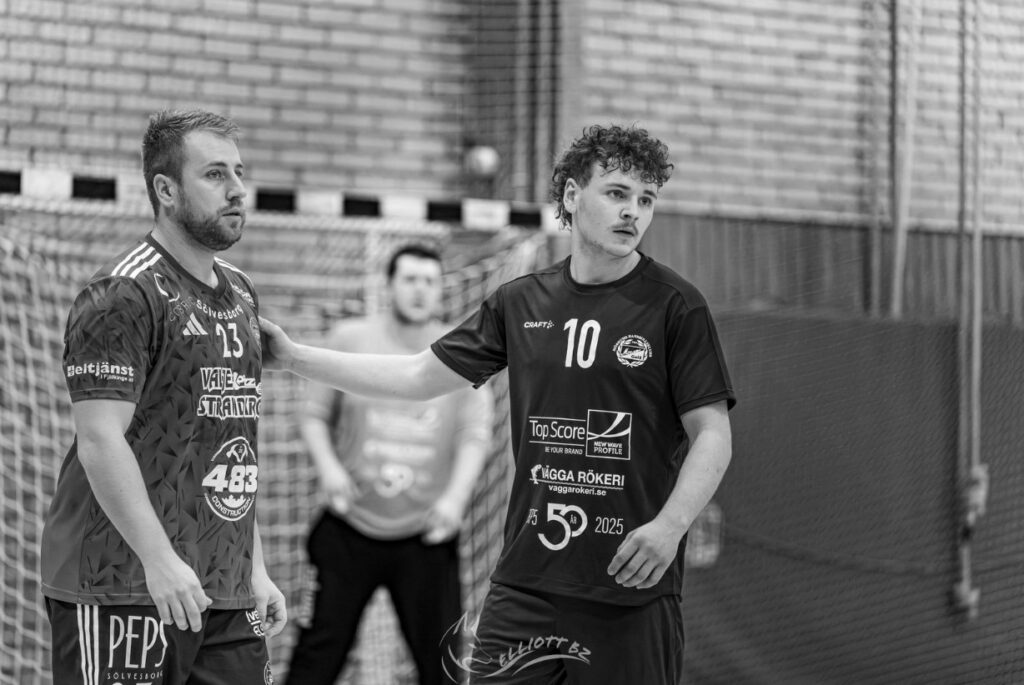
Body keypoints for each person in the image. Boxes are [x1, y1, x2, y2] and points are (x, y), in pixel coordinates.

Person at [261, 124, 734, 684]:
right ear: (572, 196)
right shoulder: (520, 301)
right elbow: (416, 376)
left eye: (646, 199)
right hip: (526, 585)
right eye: (617, 193)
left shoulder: (676, 306)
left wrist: (671, 526)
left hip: (628, 587)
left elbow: (712, 435)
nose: (633, 211)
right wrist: (293, 357)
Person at [40, 109, 286, 685]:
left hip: (223, 589)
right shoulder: (123, 292)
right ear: (166, 190)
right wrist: (159, 560)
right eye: (215, 174)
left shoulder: (242, 292)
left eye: (239, 173)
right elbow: (99, 439)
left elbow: (228, 446)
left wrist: (253, 567)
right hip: (124, 584)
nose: (237, 189)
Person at [283, 245, 494, 685]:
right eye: (410, 279)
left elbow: (474, 436)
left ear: (441, 290)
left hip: (425, 534)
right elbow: (313, 415)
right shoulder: (350, 340)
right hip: (348, 526)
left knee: (445, 667)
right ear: (389, 285)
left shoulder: (462, 350)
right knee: (315, 659)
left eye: (429, 281)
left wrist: (455, 500)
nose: (419, 290)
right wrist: (329, 469)